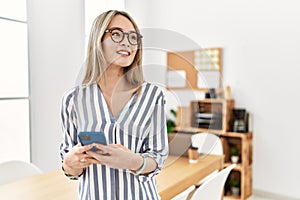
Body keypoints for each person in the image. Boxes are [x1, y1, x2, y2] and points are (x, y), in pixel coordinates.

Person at [60, 10, 169, 200]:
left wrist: (132, 161)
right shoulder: (73, 100)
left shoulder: (153, 96)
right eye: (117, 34)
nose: (127, 42)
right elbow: (70, 168)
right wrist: (70, 163)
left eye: (133, 37)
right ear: (98, 39)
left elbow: (157, 158)